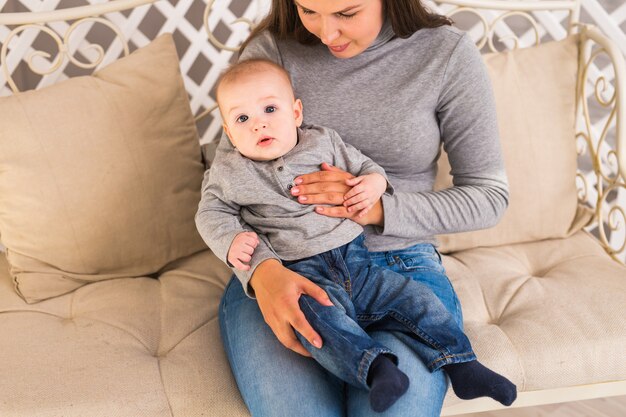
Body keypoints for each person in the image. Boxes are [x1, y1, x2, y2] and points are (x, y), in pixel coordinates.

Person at [214, 1, 511, 416]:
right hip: (283, 266)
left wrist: (374, 209)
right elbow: (225, 188)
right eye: (308, 10)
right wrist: (263, 274)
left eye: (346, 14)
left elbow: (489, 197)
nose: (326, 33)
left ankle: (461, 365)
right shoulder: (270, 54)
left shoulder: (445, 55)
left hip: (399, 262)